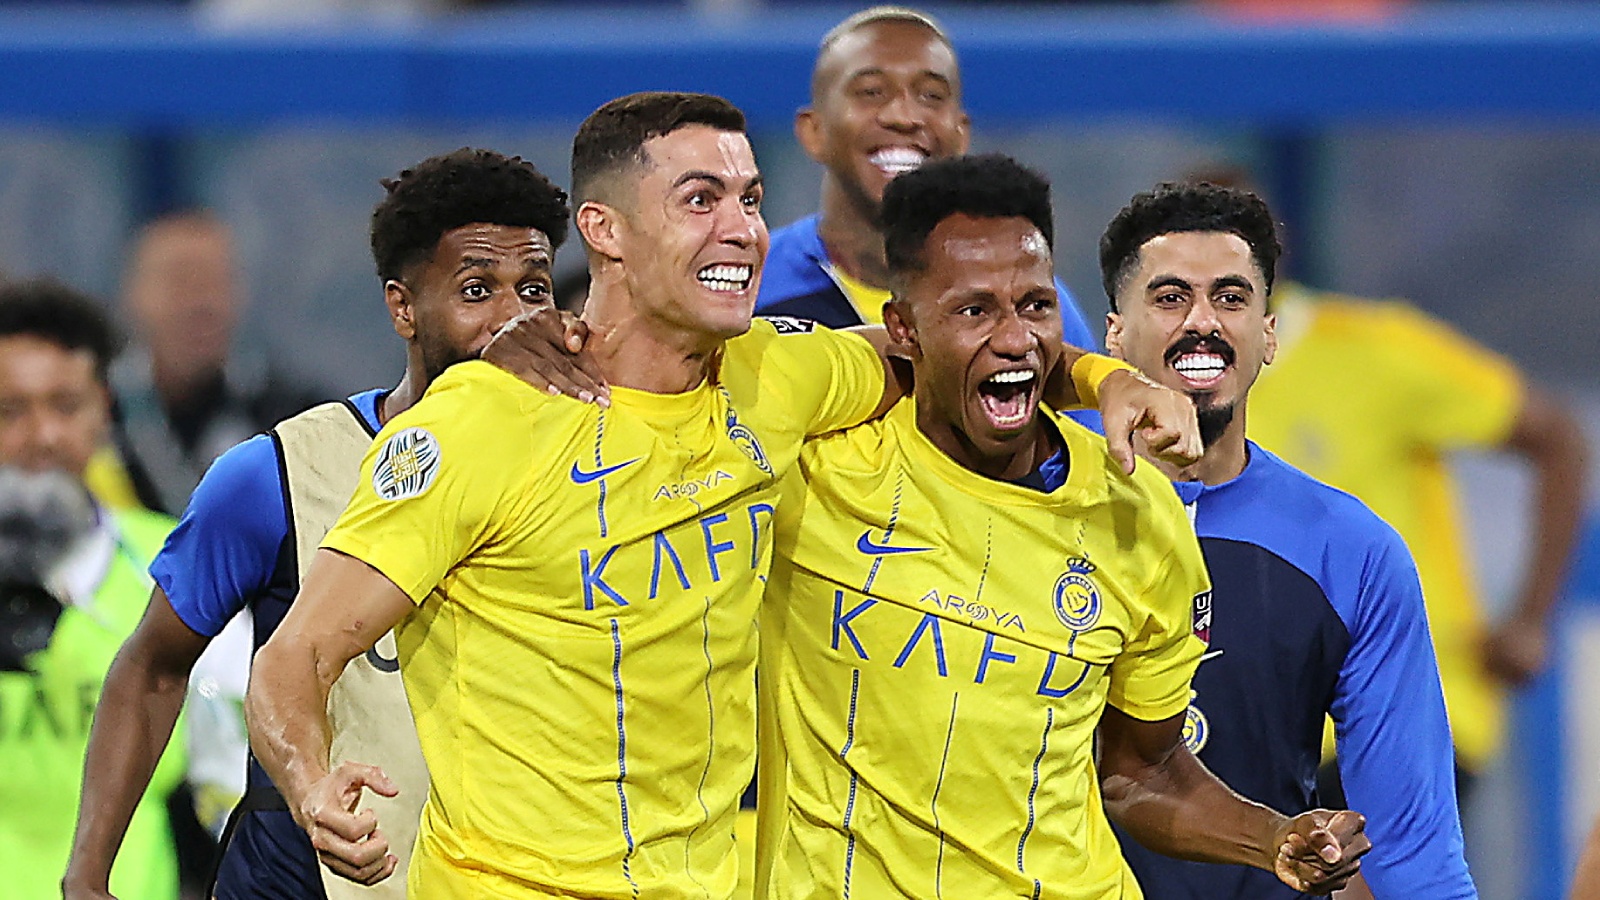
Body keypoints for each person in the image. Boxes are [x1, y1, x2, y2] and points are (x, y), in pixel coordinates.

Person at [243, 92, 1203, 899]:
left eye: (749, 198)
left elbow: (948, 344)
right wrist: (311, 781)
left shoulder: (772, 378)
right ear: (603, 231)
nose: (742, 229)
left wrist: (1107, 381)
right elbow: (297, 658)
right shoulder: (479, 426)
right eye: (699, 199)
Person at [754, 154, 1367, 899]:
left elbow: (1144, 769)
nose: (1015, 340)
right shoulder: (814, 471)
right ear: (903, 331)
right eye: (974, 310)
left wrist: (1272, 837)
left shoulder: (1138, 509)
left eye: (1035, 306)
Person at [62, 148, 574, 900]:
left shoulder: (595, 473)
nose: (512, 319)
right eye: (476, 290)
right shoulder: (276, 475)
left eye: (534, 288)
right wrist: (88, 881)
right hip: (298, 879)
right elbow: (154, 666)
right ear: (403, 307)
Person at [1098, 181, 1476, 898]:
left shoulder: (1352, 551)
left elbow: (1414, 850)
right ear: (1116, 332)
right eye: (1171, 296)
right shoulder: (1038, 510)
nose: (1203, 321)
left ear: (1267, 335)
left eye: (1232, 298)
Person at [1194, 164, 1587, 810]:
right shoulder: (1162, 390)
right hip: (1252, 736)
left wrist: (1530, 620)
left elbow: (1558, 439)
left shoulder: (1376, 352)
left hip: (1401, 714)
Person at [754, 7, 1102, 420]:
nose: (903, 116)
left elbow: (1083, 469)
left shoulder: (1034, 306)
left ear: (961, 133)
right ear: (814, 131)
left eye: (931, 96)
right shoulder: (751, 289)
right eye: (870, 92)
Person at [0, 280, 184, 900]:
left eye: (65, 405)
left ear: (103, 409)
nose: (42, 436)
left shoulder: (178, 565)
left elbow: (234, 776)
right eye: (10, 411)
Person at [100, 211, 325, 516]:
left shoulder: (296, 420)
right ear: (131, 295)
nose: (201, 304)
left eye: (215, 281)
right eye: (180, 280)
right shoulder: (92, 417)